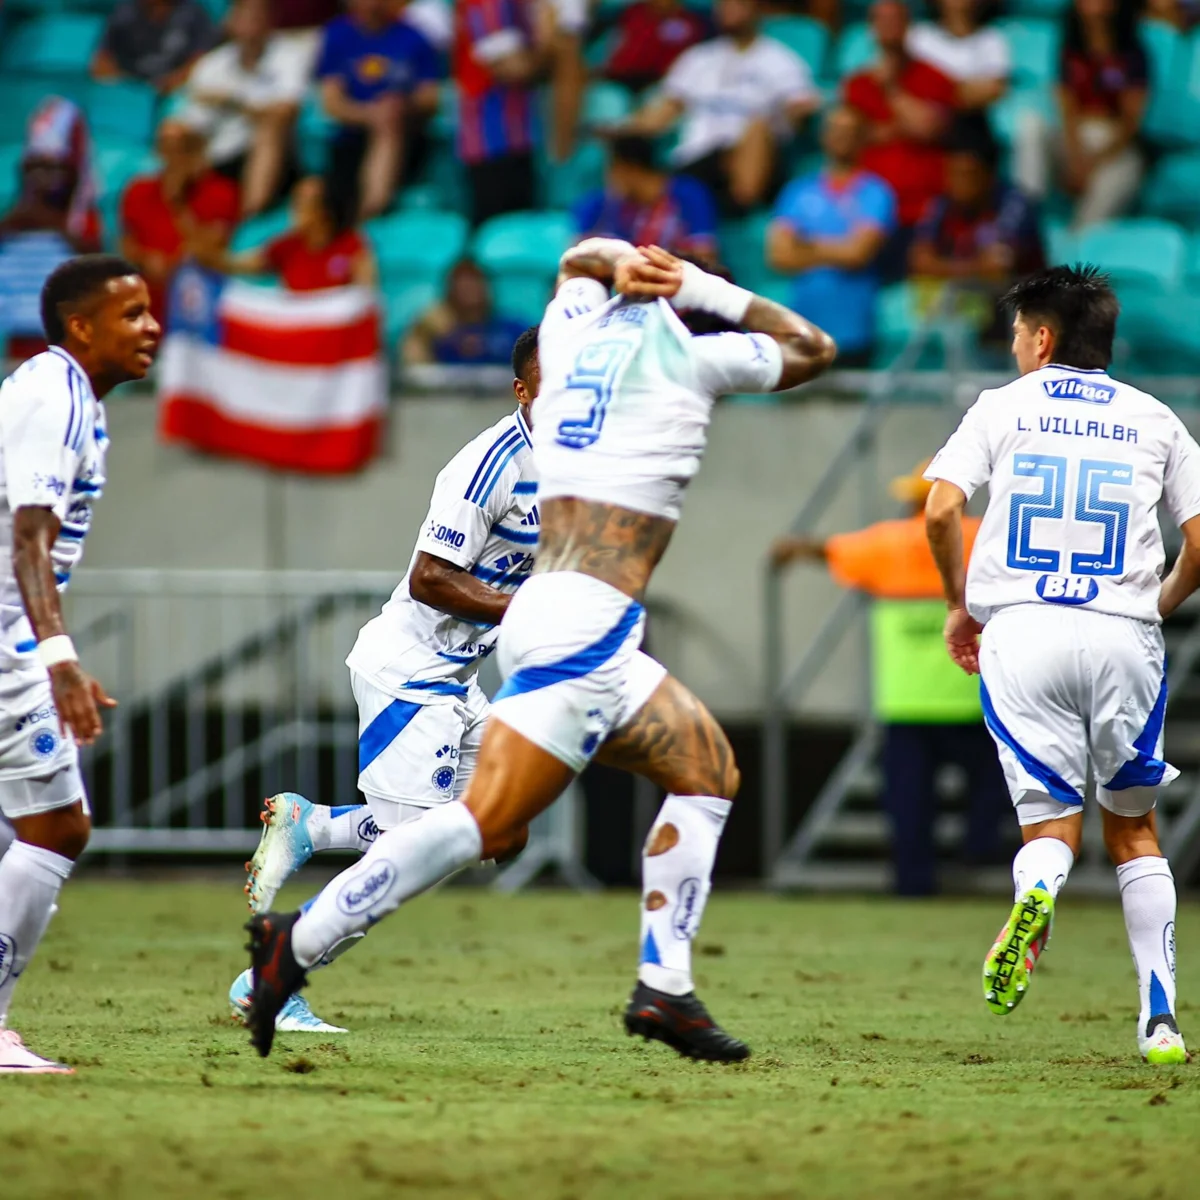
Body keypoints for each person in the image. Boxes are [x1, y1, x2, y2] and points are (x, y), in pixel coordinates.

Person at [242, 239, 837, 1063]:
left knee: (682, 776)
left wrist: (618, 261)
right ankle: (292, 949)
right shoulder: (682, 365)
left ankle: (664, 986)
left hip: (551, 625)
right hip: (556, 626)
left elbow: (576, 261)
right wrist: (701, 285)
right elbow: (816, 347)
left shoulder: (570, 342)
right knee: (475, 824)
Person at [227, 328, 543, 1034]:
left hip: (460, 680)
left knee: (506, 829)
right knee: (403, 863)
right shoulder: (489, 465)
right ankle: (268, 981)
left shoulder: (583, 463)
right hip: (411, 673)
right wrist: (529, 609)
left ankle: (317, 825)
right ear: (522, 388)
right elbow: (432, 578)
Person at [923, 264, 1200, 1065]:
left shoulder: (1002, 407)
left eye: (1016, 333)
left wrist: (958, 602)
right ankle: (1159, 1020)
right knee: (1134, 829)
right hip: (1123, 633)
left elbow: (942, 508)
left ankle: (1037, 889)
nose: (1012, 347)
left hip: (1023, 629)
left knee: (1049, 824)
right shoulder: (1158, 420)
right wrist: (1163, 600)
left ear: (1042, 338)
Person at [0, 256, 161, 1074]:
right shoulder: (52, 397)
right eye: (130, 314)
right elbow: (28, 536)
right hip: (5, 645)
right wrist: (58, 659)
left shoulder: (64, 398)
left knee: (18, 832)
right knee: (57, 826)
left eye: (150, 311)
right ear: (80, 326)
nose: (152, 327)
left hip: (17, 639)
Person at [771, 460, 1007, 894]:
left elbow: (833, 551)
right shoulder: (983, 541)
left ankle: (914, 881)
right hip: (971, 695)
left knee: (909, 801)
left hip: (905, 702)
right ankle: (978, 850)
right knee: (992, 785)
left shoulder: (887, 544)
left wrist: (794, 549)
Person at [621, 0, 819, 216]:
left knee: (757, 126)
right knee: (628, 152)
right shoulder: (698, 58)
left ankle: (739, 209)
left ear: (756, 9)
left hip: (755, 161)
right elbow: (666, 110)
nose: (729, 10)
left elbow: (800, 107)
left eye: (737, 4)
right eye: (723, 5)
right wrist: (626, 127)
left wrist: (796, 113)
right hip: (697, 157)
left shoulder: (780, 60)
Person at [768, 105, 896, 367]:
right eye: (835, 130)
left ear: (863, 138)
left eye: (850, 131)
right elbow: (779, 256)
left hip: (854, 329)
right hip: (803, 328)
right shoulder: (798, 191)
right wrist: (841, 248)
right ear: (823, 136)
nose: (841, 138)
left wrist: (807, 243)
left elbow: (858, 255)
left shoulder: (876, 192)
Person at [1014, 0, 1148, 229]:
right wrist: (1076, 159)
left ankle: (1080, 240)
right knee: (1030, 124)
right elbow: (1066, 107)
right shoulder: (1069, 50)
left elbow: (1130, 122)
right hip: (1073, 138)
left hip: (1112, 143)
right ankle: (1027, 216)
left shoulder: (1134, 55)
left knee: (1125, 171)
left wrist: (1094, 163)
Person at [316, 0, 444, 220]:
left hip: (407, 139)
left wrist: (401, 106)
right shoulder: (336, 35)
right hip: (351, 137)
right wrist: (370, 114)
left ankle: (372, 212)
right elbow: (332, 103)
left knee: (390, 120)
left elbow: (430, 99)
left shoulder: (415, 37)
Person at [843, 0, 957, 248]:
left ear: (909, 26)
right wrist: (906, 125)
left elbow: (928, 129)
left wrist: (891, 89)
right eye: (882, 21)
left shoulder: (936, 77)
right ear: (871, 28)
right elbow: (849, 140)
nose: (889, 28)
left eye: (895, 20)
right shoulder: (857, 85)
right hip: (869, 212)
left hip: (925, 207)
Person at [183, 0, 309, 218]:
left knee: (269, 128)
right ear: (230, 22)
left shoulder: (289, 56)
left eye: (257, 17)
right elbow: (193, 121)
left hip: (272, 158)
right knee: (175, 133)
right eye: (242, 16)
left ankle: (248, 219)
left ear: (270, 22)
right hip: (218, 152)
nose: (249, 25)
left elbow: (286, 112)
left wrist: (233, 102)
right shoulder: (211, 64)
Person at [0, 98, 103, 362]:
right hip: (20, 339)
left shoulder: (83, 216)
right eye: (36, 167)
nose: (44, 177)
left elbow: (94, 259)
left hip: (68, 342)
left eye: (54, 168)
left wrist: (48, 221)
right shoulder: (17, 214)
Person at [119, 119, 241, 323]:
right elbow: (125, 243)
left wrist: (179, 204)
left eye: (183, 148)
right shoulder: (138, 190)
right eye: (167, 148)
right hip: (145, 295)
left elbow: (209, 250)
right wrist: (145, 258)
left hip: (196, 299)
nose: (175, 157)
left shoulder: (221, 193)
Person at [910, 121, 1044, 285]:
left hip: (1016, 301)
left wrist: (939, 267)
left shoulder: (1015, 204)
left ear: (989, 176)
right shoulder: (941, 204)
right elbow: (920, 262)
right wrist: (977, 267)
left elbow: (998, 268)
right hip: (961, 298)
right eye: (952, 174)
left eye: (966, 175)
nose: (957, 184)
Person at [194, 175, 377, 292]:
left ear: (325, 209)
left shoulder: (351, 245)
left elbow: (366, 298)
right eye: (295, 201)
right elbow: (237, 264)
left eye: (303, 202)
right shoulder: (288, 246)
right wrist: (206, 254)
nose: (294, 208)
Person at [455, 0, 545, 226]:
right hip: (490, 139)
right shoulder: (487, 5)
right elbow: (512, 68)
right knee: (495, 237)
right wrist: (557, 42)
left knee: (522, 233)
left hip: (520, 135)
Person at [573, 136, 719, 263]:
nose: (608, 178)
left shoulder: (688, 195)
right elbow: (576, 258)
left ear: (628, 168)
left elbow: (705, 255)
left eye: (611, 169)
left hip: (675, 282)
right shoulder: (598, 204)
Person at [402, 259, 528, 366]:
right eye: (463, 284)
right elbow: (415, 371)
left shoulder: (511, 329)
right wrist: (422, 332)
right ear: (449, 291)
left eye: (475, 281)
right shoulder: (438, 333)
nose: (470, 290)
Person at [92, 0, 217, 94]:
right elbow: (102, 61)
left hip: (174, 91)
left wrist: (171, 83)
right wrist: (122, 85)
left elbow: (201, 62)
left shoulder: (194, 14)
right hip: (131, 88)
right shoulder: (125, 12)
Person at [906, 0, 1010, 111]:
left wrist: (939, 91)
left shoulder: (992, 39)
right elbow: (905, 82)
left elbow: (995, 89)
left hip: (972, 122)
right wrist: (963, 89)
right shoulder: (918, 36)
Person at [600, 0, 710, 93]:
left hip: (659, 82)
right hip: (621, 78)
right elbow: (615, 48)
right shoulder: (632, 13)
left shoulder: (688, 23)